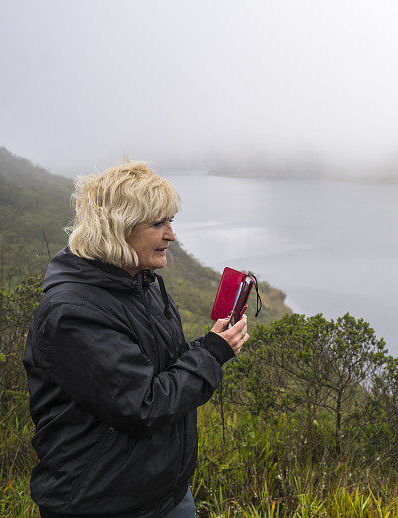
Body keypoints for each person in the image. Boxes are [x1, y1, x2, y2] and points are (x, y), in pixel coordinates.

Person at [22, 160, 247, 518]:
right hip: (103, 502)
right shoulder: (73, 313)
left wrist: (209, 344)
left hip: (164, 493)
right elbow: (143, 406)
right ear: (117, 229)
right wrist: (212, 355)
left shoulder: (142, 284)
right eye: (158, 223)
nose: (171, 235)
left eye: (170, 220)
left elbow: (161, 367)